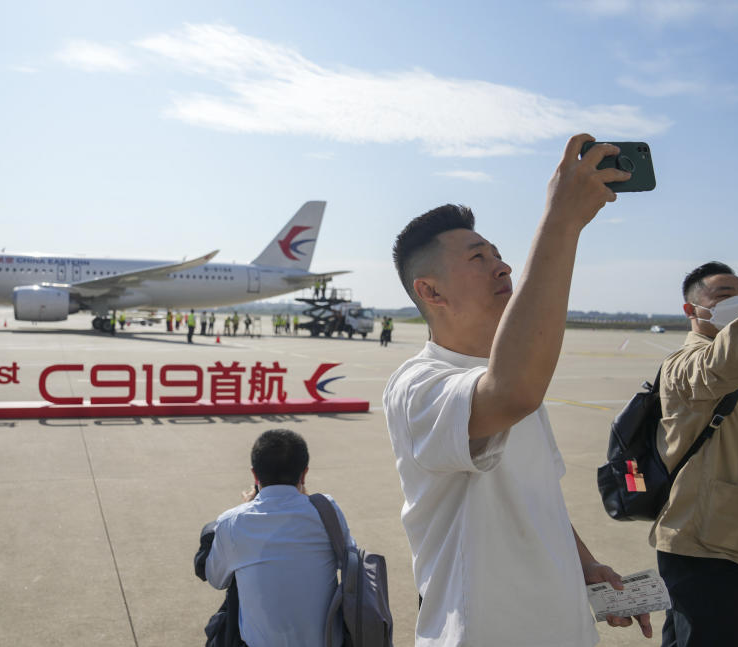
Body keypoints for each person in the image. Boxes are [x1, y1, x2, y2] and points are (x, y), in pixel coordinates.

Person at [383, 135, 651, 646]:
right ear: (430, 291)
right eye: (479, 258)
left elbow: (537, 492)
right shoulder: (418, 386)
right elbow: (511, 393)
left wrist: (586, 564)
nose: (502, 266)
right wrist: (561, 222)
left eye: (500, 255)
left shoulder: (508, 375)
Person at [651, 261, 738, 647]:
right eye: (727, 295)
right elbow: (721, 366)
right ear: (692, 310)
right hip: (707, 548)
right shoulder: (685, 366)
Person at [199, 429, 355, 647]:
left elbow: (216, 579)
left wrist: (245, 507)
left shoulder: (232, 521)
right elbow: (349, 563)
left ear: (255, 475)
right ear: (304, 474)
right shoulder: (327, 511)